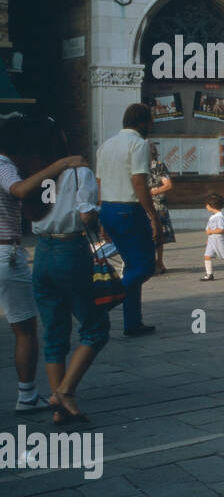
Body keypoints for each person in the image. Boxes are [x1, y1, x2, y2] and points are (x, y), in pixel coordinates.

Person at [0, 118, 86, 413]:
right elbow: (19, 190)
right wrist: (60, 165)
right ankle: (26, 396)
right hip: (5, 253)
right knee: (25, 330)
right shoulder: (4, 164)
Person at [28, 119, 109, 424]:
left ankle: (60, 408)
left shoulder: (32, 173)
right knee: (96, 328)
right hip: (70, 250)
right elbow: (86, 215)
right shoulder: (79, 171)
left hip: (41, 253)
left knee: (54, 333)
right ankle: (64, 392)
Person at [95, 102, 162, 336]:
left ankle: (133, 322)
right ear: (143, 122)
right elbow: (138, 182)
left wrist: (102, 216)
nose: (151, 126)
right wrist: (152, 216)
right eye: (150, 121)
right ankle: (108, 298)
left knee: (132, 266)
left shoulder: (105, 146)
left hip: (109, 209)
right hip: (129, 210)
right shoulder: (139, 144)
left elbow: (100, 183)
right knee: (145, 266)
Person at [148, 145, 176, 275]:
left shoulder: (158, 166)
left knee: (158, 234)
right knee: (149, 235)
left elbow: (168, 184)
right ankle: (152, 262)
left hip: (157, 204)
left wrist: (154, 191)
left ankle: (159, 262)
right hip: (143, 204)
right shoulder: (138, 166)